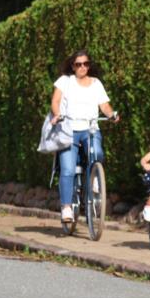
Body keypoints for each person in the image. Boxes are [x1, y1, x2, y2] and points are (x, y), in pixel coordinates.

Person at [50, 49, 118, 222]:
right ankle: (66, 207)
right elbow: (55, 101)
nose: (82, 67)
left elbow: (104, 105)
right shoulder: (65, 81)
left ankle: (94, 177)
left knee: (98, 153)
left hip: (90, 128)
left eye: (86, 64)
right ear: (73, 66)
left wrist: (112, 115)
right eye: (78, 64)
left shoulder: (96, 83)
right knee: (67, 169)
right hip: (68, 130)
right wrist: (57, 114)